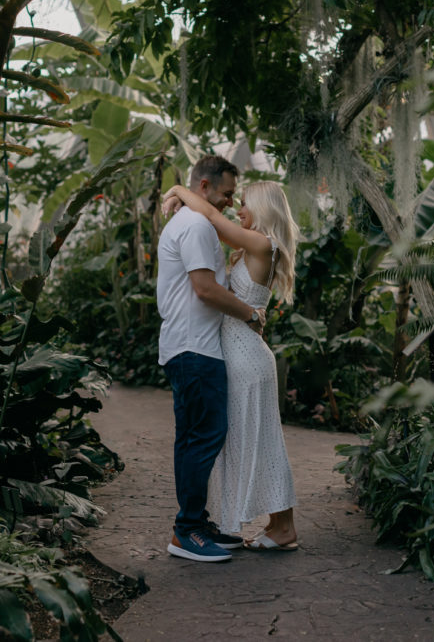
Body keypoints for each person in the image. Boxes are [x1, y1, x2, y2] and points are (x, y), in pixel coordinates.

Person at [162, 179, 300, 551]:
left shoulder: (262, 244)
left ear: (264, 208)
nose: (237, 209)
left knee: (262, 440)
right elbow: (205, 226)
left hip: (244, 356)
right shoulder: (251, 246)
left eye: (244, 203)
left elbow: (209, 213)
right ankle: (274, 524)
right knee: (249, 439)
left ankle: (284, 526)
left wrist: (178, 189)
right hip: (239, 353)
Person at [157, 155, 268, 563]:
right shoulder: (197, 226)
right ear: (204, 187)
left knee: (196, 436)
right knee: (202, 437)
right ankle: (186, 530)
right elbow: (204, 289)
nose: (228, 202)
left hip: (191, 347)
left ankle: (196, 522)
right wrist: (251, 313)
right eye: (224, 193)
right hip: (194, 349)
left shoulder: (194, 222)